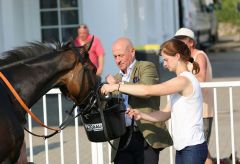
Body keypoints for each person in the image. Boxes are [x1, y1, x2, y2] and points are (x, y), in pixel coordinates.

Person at [101, 38, 208, 164]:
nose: (164, 64)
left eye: (166, 59)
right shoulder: (180, 80)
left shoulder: (183, 81)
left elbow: (148, 90)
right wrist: (141, 115)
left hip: (192, 147)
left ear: (177, 56)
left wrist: (117, 86)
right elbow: (165, 114)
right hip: (183, 148)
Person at [105, 37, 173, 164]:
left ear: (132, 52)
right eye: (115, 57)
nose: (117, 60)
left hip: (145, 134)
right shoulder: (115, 78)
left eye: (120, 55)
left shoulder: (147, 67)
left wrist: (117, 85)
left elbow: (146, 91)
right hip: (122, 137)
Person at [174, 27, 214, 164]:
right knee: (204, 151)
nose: (178, 43)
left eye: (181, 40)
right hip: (190, 110)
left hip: (203, 110)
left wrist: (184, 81)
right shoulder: (185, 60)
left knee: (202, 150)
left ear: (191, 42)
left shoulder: (199, 56)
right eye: (176, 41)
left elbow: (201, 77)